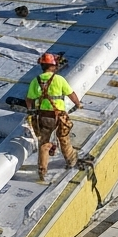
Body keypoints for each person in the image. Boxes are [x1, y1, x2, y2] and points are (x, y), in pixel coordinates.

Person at [26, 52, 83, 182]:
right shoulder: (59, 80)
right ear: (52, 66)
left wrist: (30, 110)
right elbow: (71, 93)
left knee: (44, 143)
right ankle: (71, 160)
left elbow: (29, 99)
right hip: (59, 116)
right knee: (63, 138)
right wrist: (78, 104)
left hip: (43, 116)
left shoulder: (36, 80)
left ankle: (42, 170)